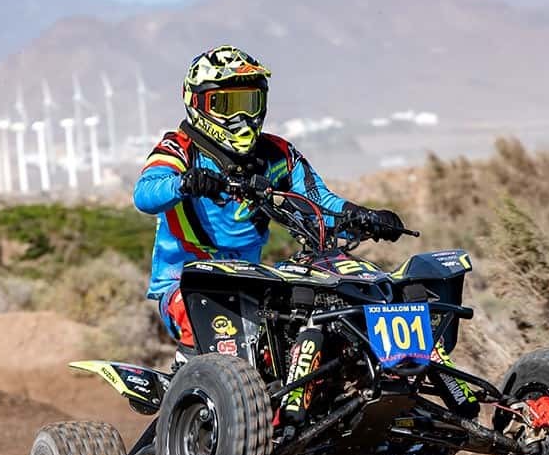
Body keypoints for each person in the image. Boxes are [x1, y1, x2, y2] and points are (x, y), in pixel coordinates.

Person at [133, 45, 405, 348]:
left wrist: (363, 215)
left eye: (249, 102)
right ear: (197, 103)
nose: (241, 116)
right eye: (226, 104)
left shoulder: (278, 154)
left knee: (313, 314)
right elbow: (145, 195)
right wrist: (185, 183)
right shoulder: (179, 147)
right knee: (226, 340)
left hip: (254, 279)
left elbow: (319, 201)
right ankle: (193, 385)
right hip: (187, 283)